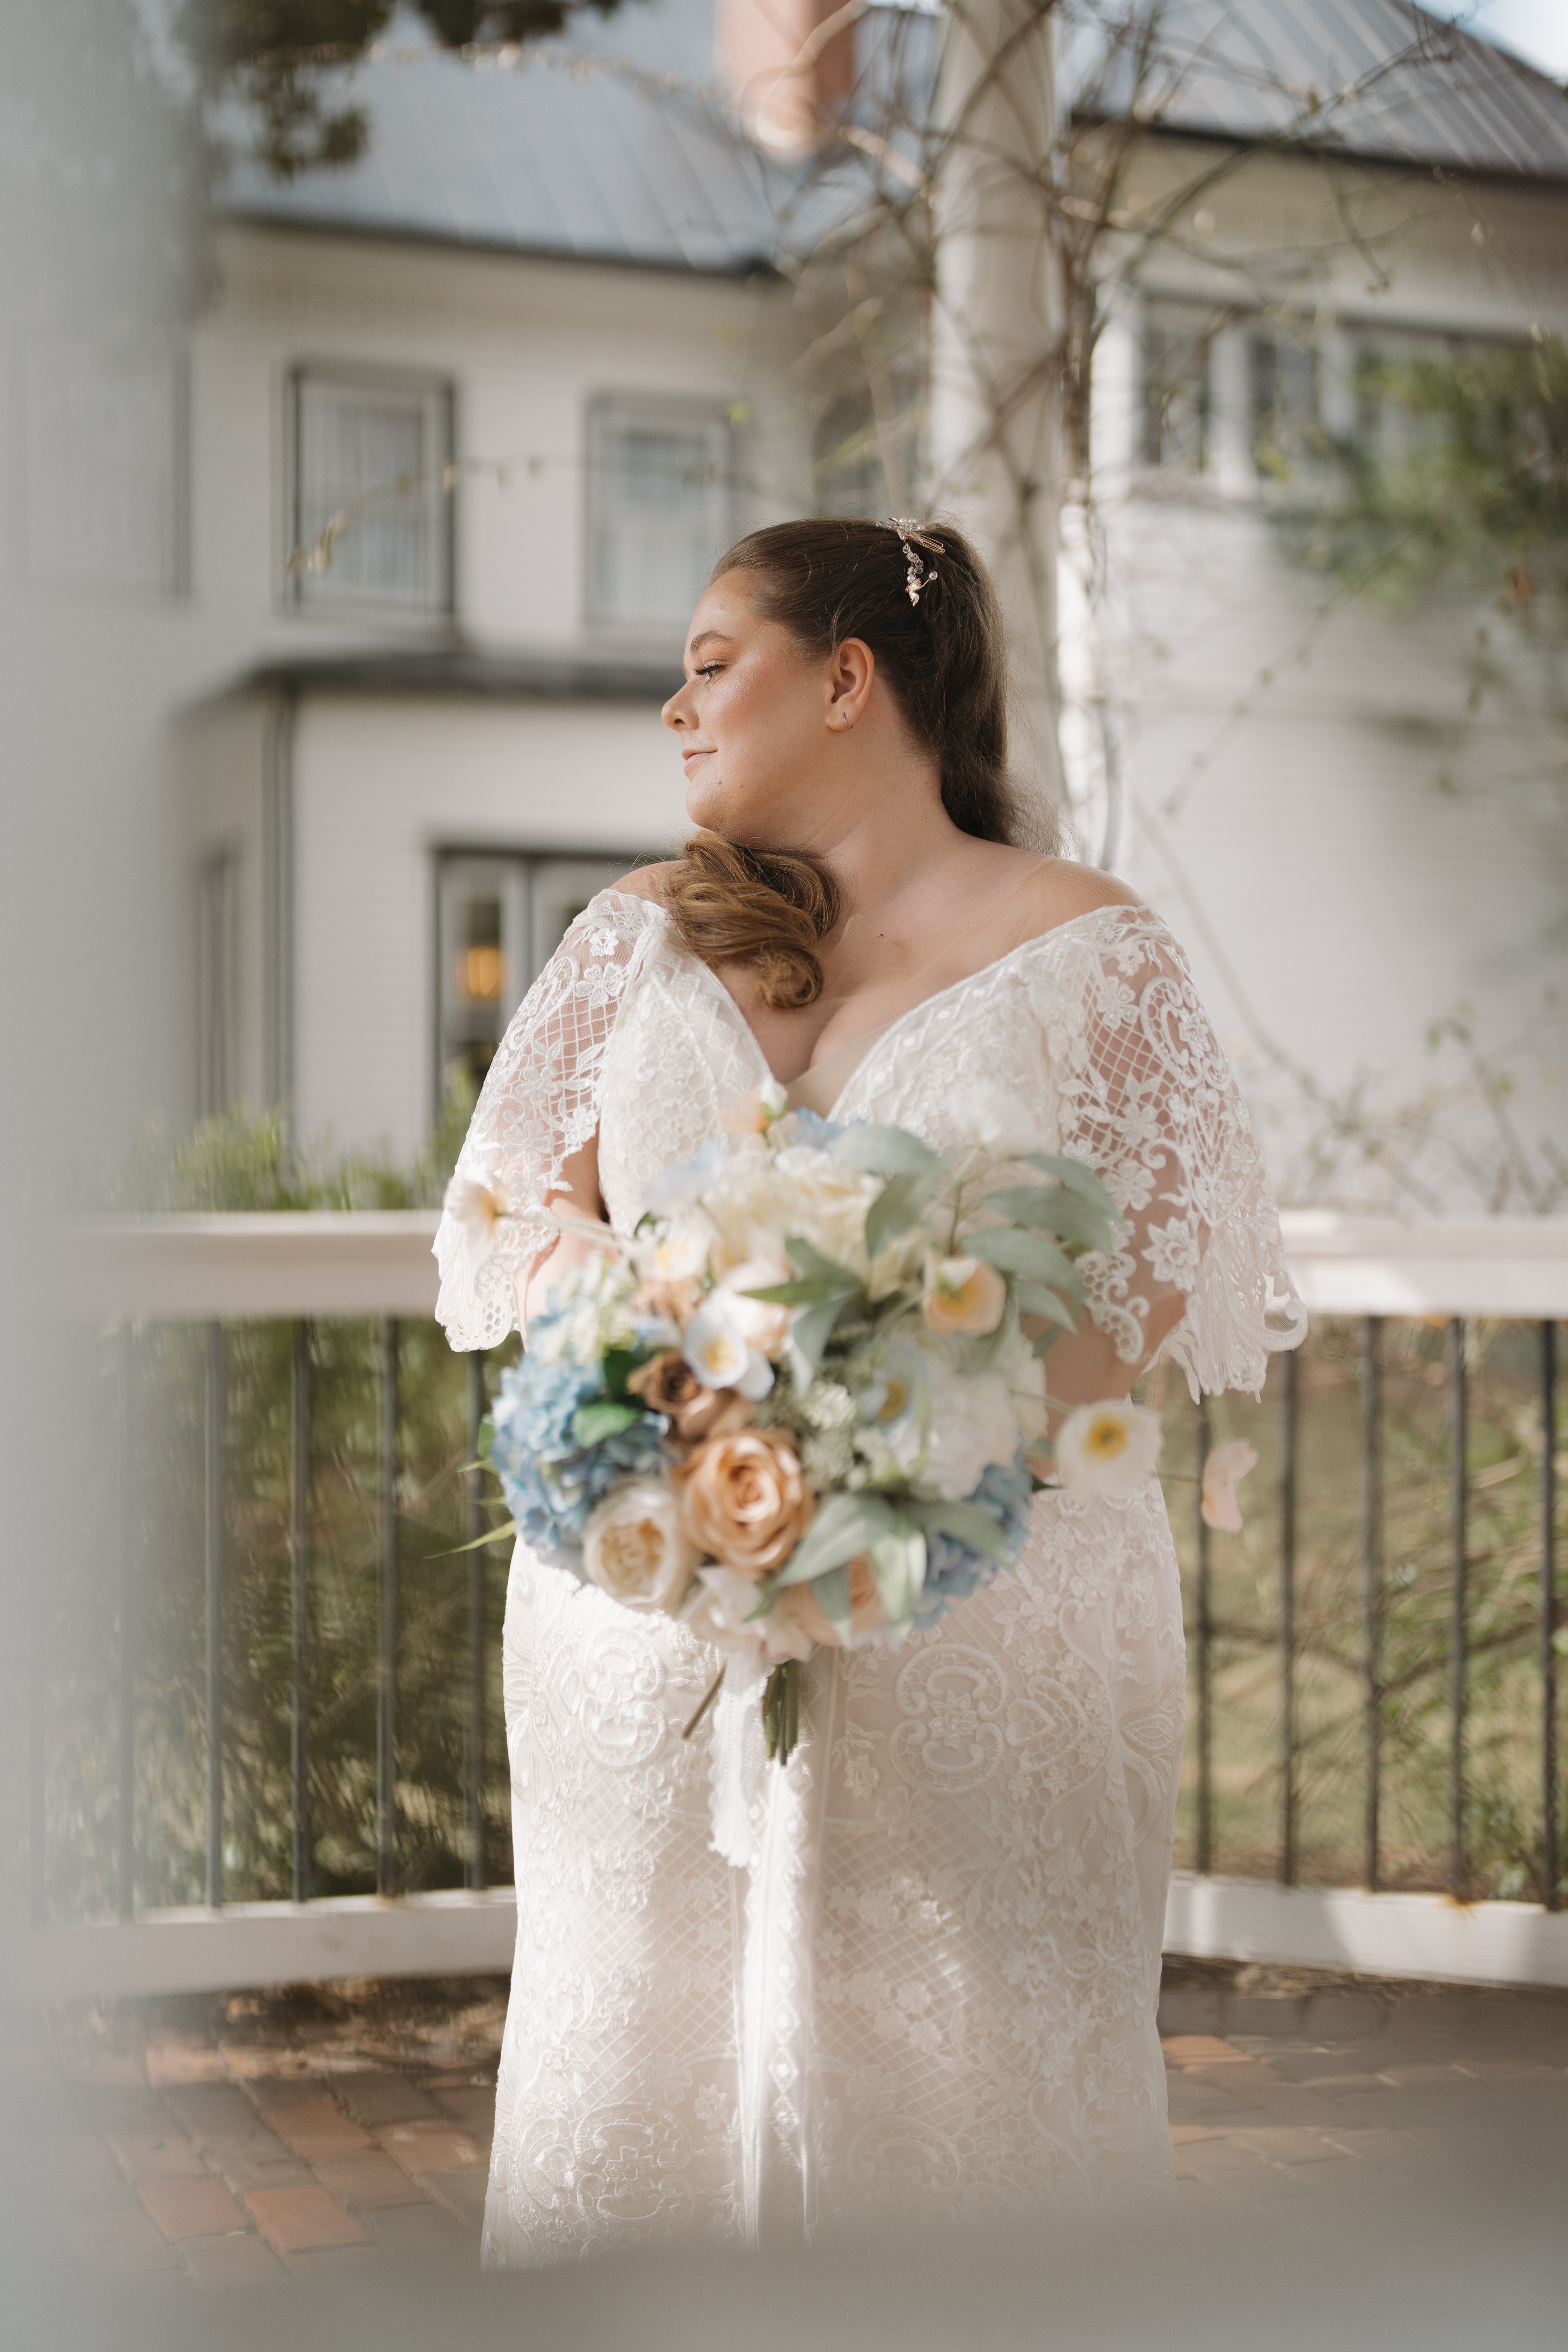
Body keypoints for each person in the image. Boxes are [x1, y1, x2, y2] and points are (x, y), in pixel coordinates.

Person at [433, 517, 1304, 2264]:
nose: (671, 709)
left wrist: (866, 1479)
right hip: (646, 1615)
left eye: (708, 662)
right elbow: (502, 1207)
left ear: (849, 679)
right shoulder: (634, 937)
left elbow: (1136, 1297)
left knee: (973, 2100)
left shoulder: (1093, 948)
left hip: (986, 1607)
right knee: (634, 2080)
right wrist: (623, 1340)